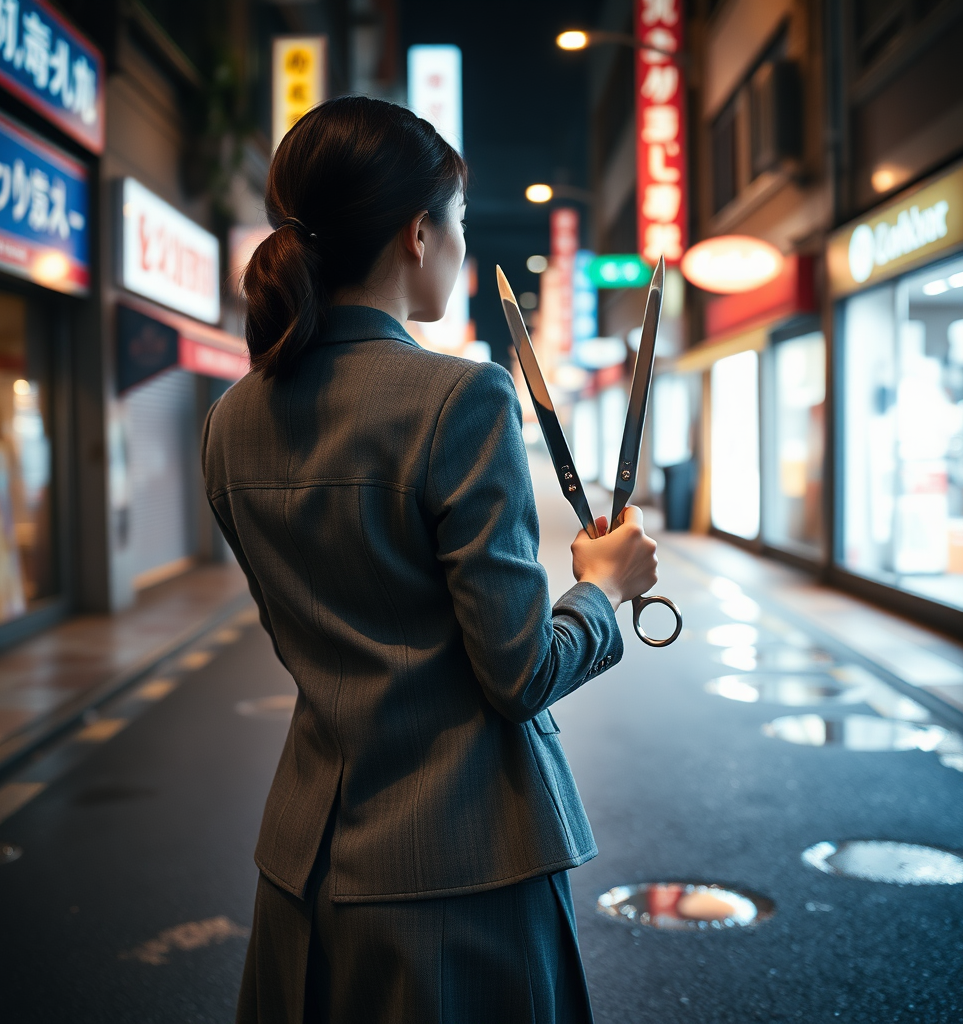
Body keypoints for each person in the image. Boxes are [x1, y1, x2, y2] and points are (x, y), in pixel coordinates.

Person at [201, 95, 658, 1024]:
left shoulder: (231, 422)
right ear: (418, 233)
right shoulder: (463, 399)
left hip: (304, 867)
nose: (460, 242)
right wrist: (602, 591)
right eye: (456, 221)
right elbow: (520, 671)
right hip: (464, 871)